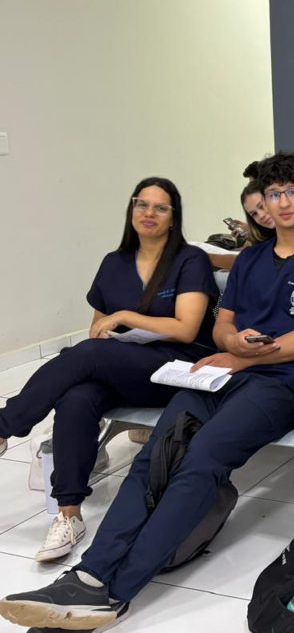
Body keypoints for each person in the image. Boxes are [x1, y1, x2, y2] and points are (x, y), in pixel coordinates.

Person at [0, 152, 294, 631]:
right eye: (274, 194)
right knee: (154, 457)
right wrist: (232, 346)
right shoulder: (251, 257)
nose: (283, 202)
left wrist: (241, 356)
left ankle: (118, 591)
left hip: (282, 386)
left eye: (293, 191)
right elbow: (226, 324)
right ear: (265, 203)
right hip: (218, 376)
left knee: (202, 459)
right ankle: (88, 576)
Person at [0, 178, 218, 564]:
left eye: (160, 207)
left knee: (88, 355)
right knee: (76, 397)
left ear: (173, 217)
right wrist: (114, 329)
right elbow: (97, 330)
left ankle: (6, 425)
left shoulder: (190, 260)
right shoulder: (113, 263)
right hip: (124, 365)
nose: (148, 213)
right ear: (131, 210)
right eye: (141, 204)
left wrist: (125, 316)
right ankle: (69, 514)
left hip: (174, 368)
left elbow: (186, 327)